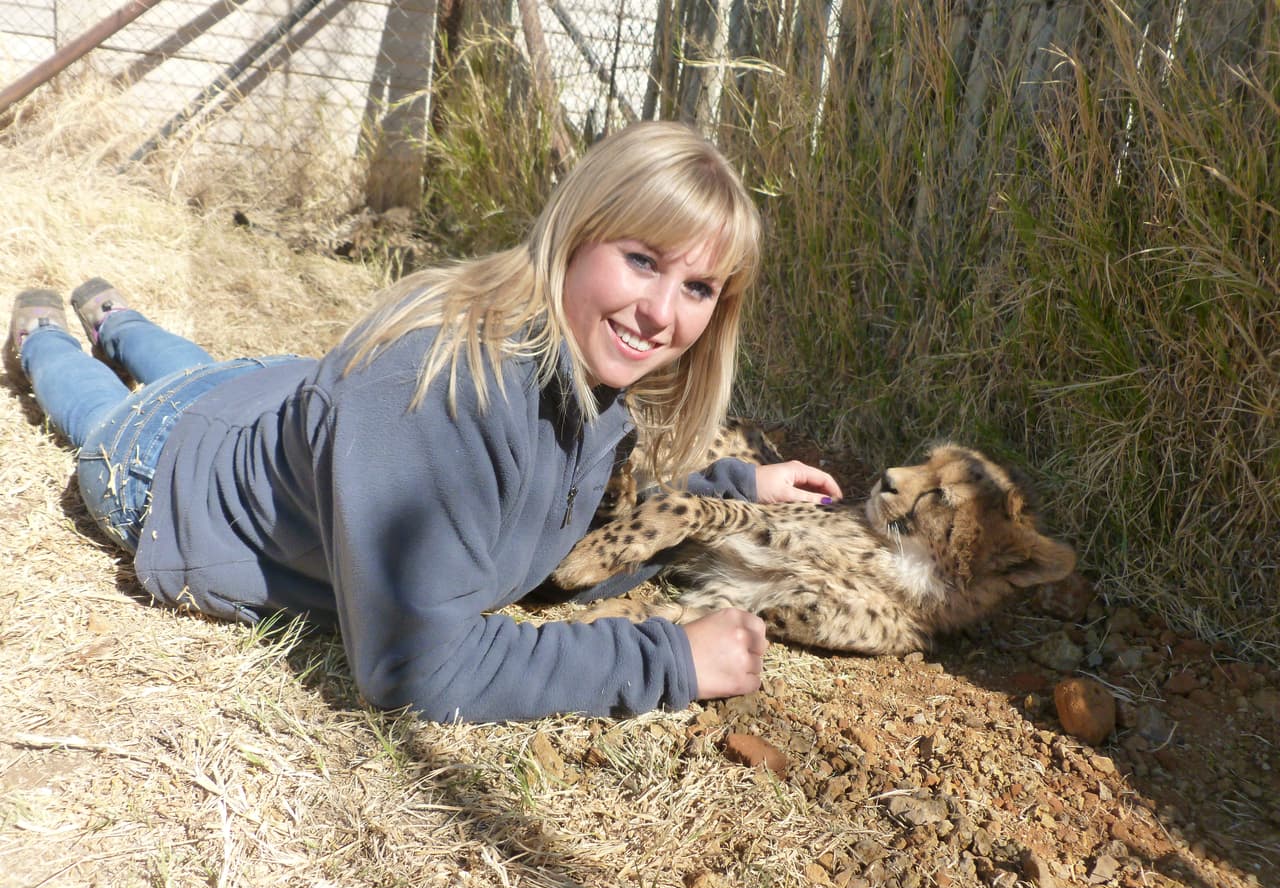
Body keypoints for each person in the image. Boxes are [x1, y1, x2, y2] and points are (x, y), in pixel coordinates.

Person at [6, 121, 841, 723]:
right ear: (576, 235)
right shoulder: (439, 396)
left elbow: (582, 505)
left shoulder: (584, 367)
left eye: (698, 289)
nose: (663, 312)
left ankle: (116, 315)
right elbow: (416, 664)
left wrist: (736, 484)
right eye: (643, 261)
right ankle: (48, 339)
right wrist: (672, 661)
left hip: (270, 397)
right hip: (168, 466)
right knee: (105, 412)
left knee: (199, 370)